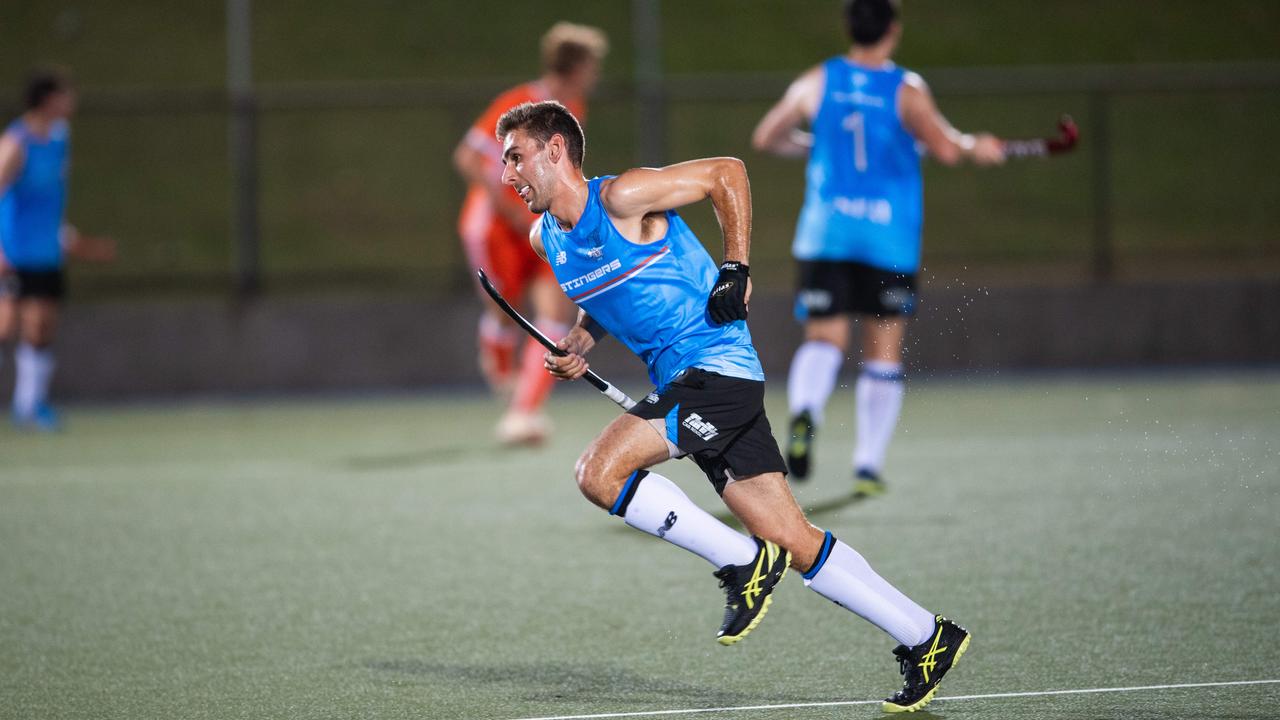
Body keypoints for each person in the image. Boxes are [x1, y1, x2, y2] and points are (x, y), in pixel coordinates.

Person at [497, 99, 969, 713]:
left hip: (715, 372)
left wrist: (736, 266)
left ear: (554, 150)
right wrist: (580, 341)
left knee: (598, 472)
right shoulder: (546, 238)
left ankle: (741, 560)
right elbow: (609, 292)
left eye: (516, 156)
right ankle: (926, 637)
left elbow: (729, 172)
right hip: (695, 385)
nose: (507, 172)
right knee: (792, 537)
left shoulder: (623, 198)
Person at [752, 0, 1006, 496]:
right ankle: (867, 465)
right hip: (886, 239)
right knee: (883, 350)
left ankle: (806, 411)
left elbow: (767, 137)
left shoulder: (817, 81)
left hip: (826, 234)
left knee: (823, 340)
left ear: (850, 29)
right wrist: (981, 146)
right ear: (893, 30)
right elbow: (948, 148)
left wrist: (819, 146)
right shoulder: (906, 89)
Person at [452, 21, 608, 446]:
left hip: (541, 226)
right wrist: (510, 209)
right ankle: (504, 374)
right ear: (576, 67)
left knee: (554, 310)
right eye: (593, 66)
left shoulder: (574, 108)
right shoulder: (519, 102)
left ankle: (523, 412)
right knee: (504, 312)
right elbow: (468, 158)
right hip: (494, 228)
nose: (596, 75)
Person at [0, 67, 114, 431]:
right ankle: (27, 405)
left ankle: (29, 405)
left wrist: (67, 237)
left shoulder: (61, 138)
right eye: (65, 94)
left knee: (43, 326)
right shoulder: (15, 144)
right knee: (9, 325)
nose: (71, 101)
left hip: (46, 251)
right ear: (48, 99)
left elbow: (52, 201)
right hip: (14, 251)